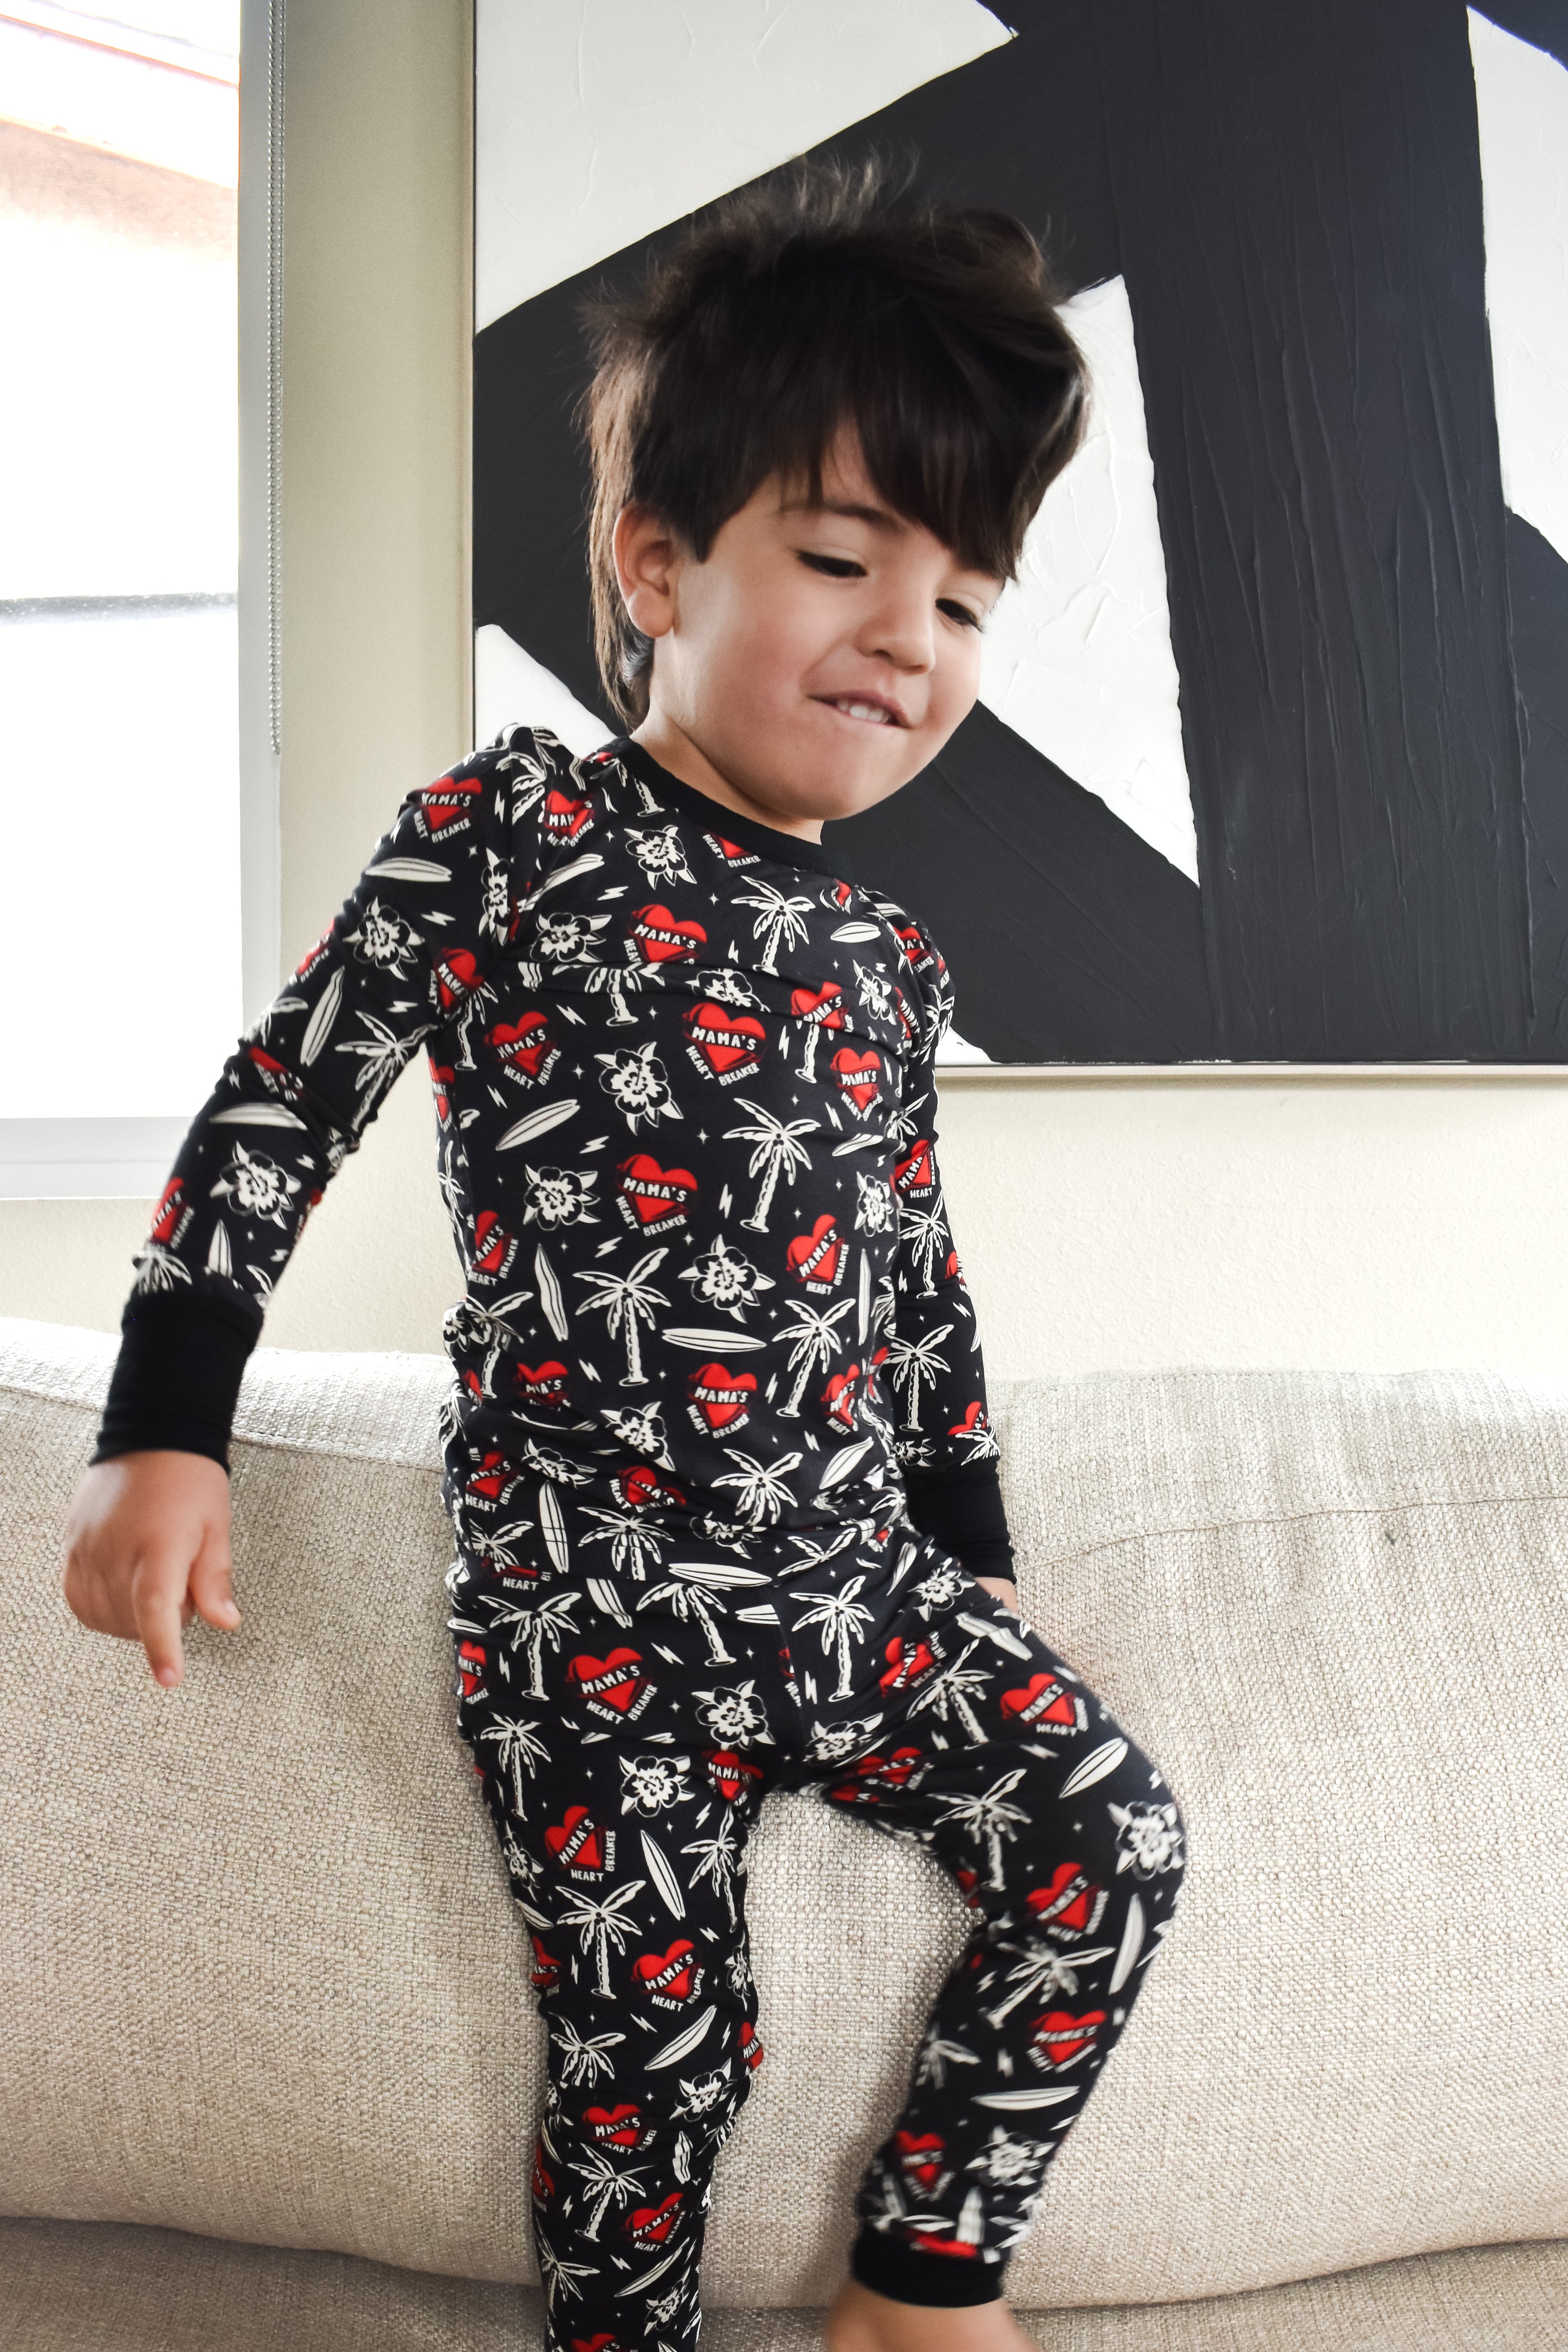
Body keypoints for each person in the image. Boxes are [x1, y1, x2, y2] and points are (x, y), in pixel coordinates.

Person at [61, 160, 1186, 2352]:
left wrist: (968, 1546)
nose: (907, 635)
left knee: (1110, 1839)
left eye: (963, 600)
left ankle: (919, 2285)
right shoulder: (513, 834)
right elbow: (281, 1101)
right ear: (654, 565)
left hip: (860, 1599)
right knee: (661, 2066)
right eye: (846, 559)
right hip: (598, 1628)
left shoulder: (881, 951)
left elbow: (916, 1278)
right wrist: (164, 1425)